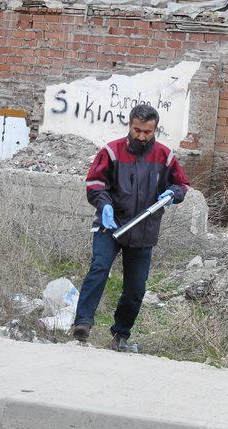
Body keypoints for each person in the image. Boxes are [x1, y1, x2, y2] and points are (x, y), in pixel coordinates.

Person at [71, 104, 190, 351]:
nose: (142, 136)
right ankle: (82, 323)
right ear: (130, 126)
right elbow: (95, 183)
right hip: (111, 224)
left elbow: (181, 184)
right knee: (99, 268)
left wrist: (173, 193)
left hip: (144, 228)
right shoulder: (111, 152)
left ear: (155, 129)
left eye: (148, 132)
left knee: (136, 286)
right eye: (137, 130)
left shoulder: (164, 156)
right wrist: (104, 204)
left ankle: (121, 334)